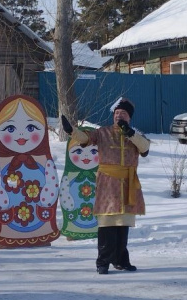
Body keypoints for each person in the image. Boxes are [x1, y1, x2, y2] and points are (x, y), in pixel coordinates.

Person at [61, 97, 150, 274]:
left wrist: (130, 133)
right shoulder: (103, 132)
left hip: (127, 184)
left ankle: (121, 260)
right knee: (107, 225)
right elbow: (85, 138)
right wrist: (71, 130)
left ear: (129, 117)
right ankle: (102, 262)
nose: (119, 116)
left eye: (123, 114)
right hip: (108, 184)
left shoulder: (135, 135)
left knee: (122, 226)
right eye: (116, 113)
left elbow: (145, 148)